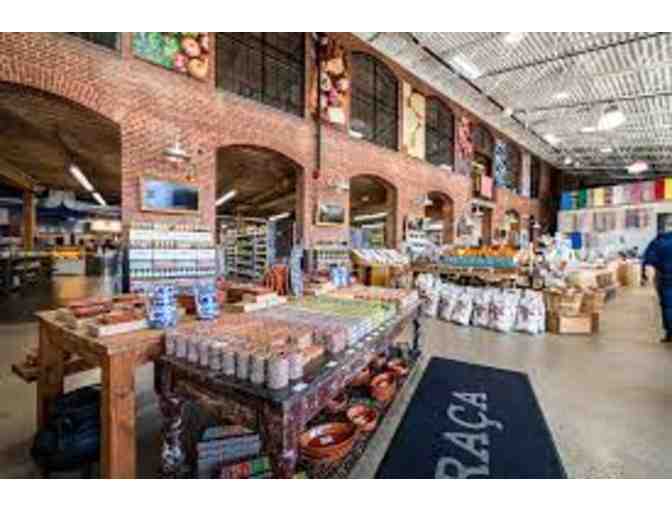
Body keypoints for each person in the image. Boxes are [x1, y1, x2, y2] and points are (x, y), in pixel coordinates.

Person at [643, 216, 672, 343]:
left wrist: (646, 276)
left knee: (668, 306)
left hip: (666, 279)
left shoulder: (658, 241)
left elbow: (649, 260)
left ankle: (670, 333)